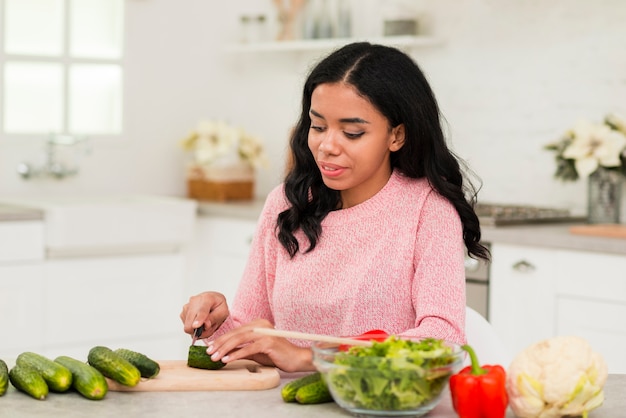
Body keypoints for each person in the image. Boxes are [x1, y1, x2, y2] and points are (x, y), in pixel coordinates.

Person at [180, 42, 490, 373]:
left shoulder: (428, 211)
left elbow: (442, 339)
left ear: (396, 135)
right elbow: (258, 334)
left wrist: (312, 358)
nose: (327, 146)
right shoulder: (286, 204)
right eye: (317, 126)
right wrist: (218, 324)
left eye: (352, 132)